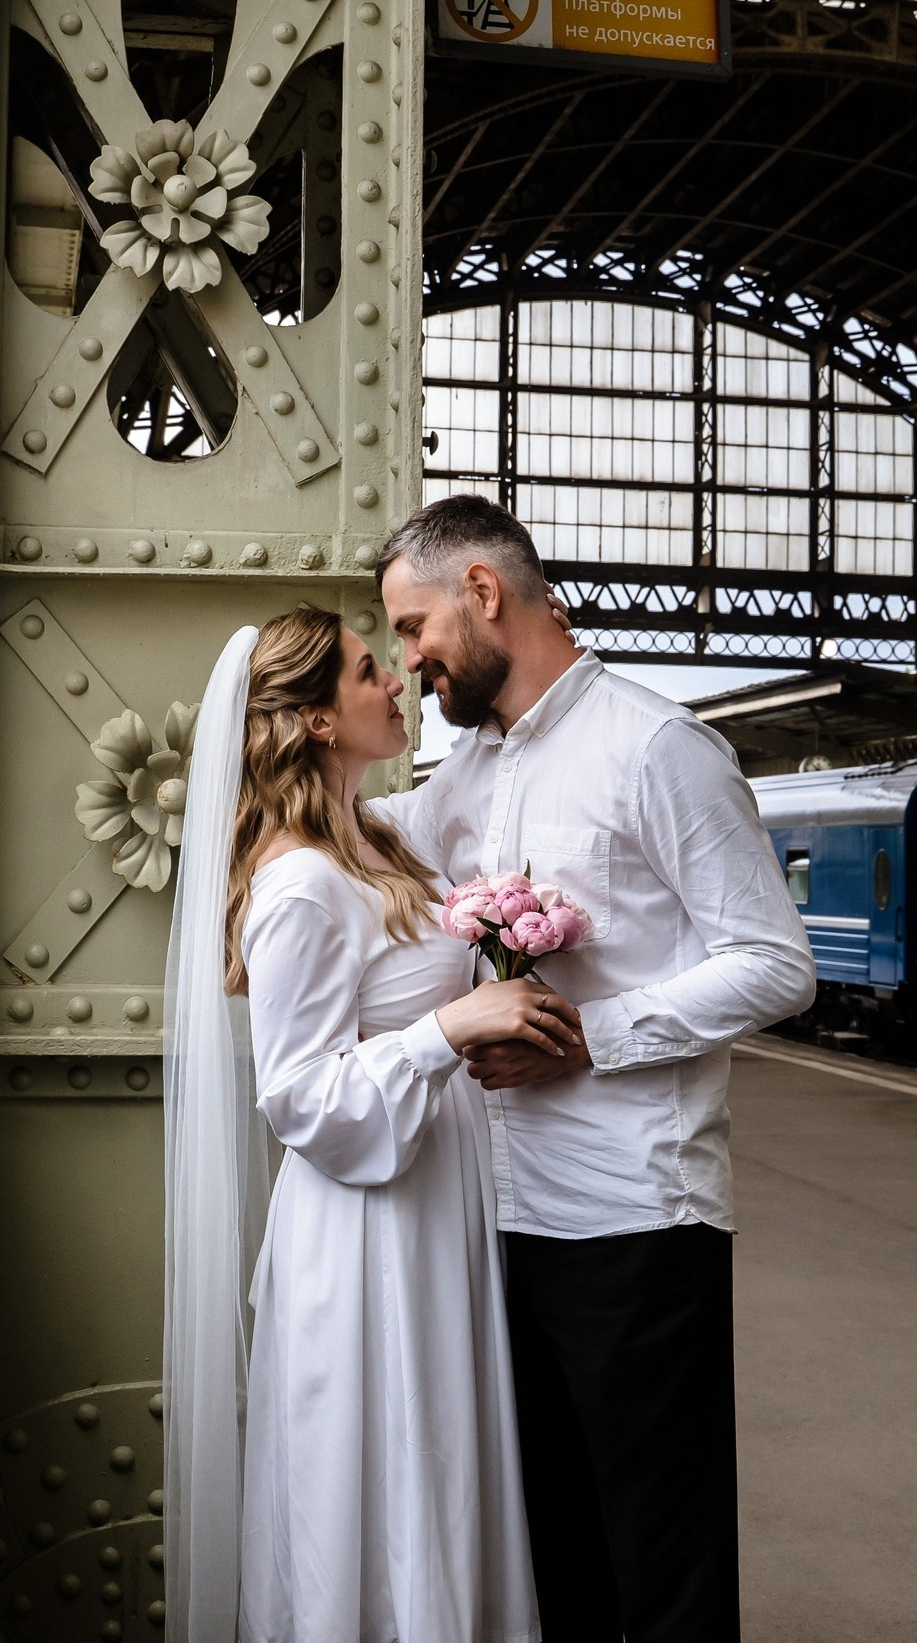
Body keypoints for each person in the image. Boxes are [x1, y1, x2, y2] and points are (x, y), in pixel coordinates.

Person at [369, 494, 819, 1643]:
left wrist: (584, 1037)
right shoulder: (466, 772)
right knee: (551, 1546)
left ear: (482, 594)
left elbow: (774, 965)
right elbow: (357, 844)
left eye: (415, 627)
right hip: (495, 1218)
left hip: (634, 1216)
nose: (411, 660)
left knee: (659, 1558)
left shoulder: (657, 748)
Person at [161, 606, 559, 1643]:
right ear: (316, 721)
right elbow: (298, 1097)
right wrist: (449, 1026)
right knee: (388, 1483)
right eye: (370, 670)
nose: (399, 683)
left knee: (439, 1471)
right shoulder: (298, 884)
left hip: (432, 1215)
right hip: (370, 1237)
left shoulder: (379, 838)